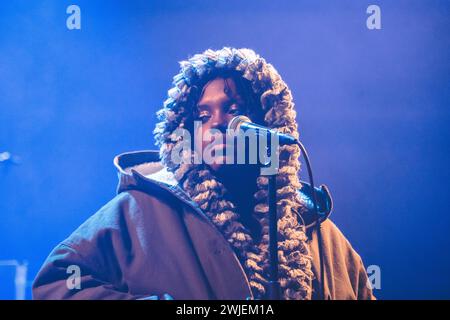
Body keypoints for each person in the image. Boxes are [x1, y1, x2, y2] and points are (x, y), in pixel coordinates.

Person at [32, 47, 375, 300]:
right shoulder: (142, 209)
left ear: (269, 121)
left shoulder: (315, 227)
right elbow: (56, 282)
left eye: (234, 110)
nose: (217, 125)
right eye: (202, 114)